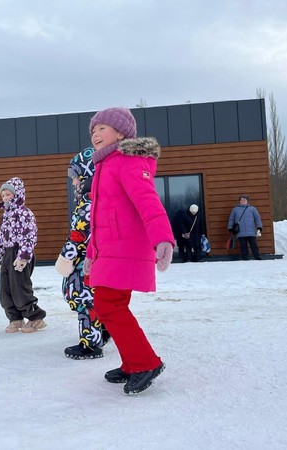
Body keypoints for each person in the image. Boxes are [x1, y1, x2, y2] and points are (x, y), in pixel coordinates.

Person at [84, 107, 175, 395]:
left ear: (121, 133)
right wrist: (90, 254)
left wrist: (163, 239)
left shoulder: (128, 162)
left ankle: (145, 362)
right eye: (93, 130)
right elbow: (99, 219)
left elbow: (148, 201)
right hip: (109, 251)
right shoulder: (105, 165)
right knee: (110, 306)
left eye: (102, 128)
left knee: (108, 306)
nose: (96, 134)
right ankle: (132, 361)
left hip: (125, 249)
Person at [55, 148, 111, 359]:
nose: (73, 183)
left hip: (85, 264)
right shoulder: (99, 199)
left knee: (84, 300)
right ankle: (103, 331)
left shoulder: (87, 204)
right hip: (97, 260)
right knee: (95, 300)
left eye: (75, 177)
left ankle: (90, 344)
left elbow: (78, 236)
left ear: (88, 175)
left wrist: (65, 257)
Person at [0, 177, 47, 333]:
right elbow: (0, 237)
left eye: (8, 194)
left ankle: (35, 318)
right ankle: (15, 318)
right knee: (6, 289)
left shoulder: (25, 213)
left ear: (17, 194)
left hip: (20, 254)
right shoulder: (6, 215)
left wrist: (23, 257)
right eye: (3, 195)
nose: (5, 198)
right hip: (7, 254)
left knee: (20, 288)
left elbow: (29, 235)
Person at [228, 195, 263, 260]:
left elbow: (257, 218)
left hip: (251, 231)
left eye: (244, 200)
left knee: (254, 245)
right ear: (239, 201)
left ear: (247, 201)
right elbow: (231, 219)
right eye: (241, 200)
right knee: (243, 246)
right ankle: (245, 258)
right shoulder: (235, 209)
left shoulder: (252, 208)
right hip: (240, 232)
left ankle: (257, 256)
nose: (243, 201)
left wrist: (259, 227)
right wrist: (230, 227)